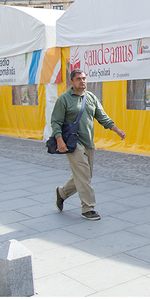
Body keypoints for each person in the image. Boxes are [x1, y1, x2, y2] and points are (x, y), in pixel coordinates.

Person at [52, 69, 126, 221]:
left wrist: (117, 130)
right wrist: (59, 140)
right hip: (72, 143)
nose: (82, 81)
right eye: (78, 79)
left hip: (88, 142)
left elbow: (102, 116)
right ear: (71, 82)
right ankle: (88, 208)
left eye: (84, 78)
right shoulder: (64, 99)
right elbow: (56, 121)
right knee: (84, 174)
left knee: (85, 175)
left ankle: (62, 193)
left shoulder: (91, 97)